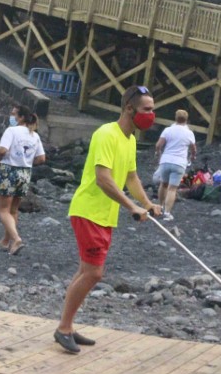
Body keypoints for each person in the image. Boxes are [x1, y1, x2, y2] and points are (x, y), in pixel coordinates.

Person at [55, 85, 162, 353]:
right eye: (146, 110)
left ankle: (66, 325)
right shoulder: (106, 134)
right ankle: (63, 328)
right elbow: (103, 178)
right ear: (129, 109)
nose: (152, 115)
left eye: (153, 109)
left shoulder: (130, 140)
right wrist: (131, 207)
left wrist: (147, 203)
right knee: (94, 273)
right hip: (89, 209)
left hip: (104, 214)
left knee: (85, 271)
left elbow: (131, 177)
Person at [0, 104, 46, 255]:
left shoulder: (11, 131)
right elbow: (42, 158)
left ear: (21, 117)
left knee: (3, 210)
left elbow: (2, 150)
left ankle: (16, 239)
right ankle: (5, 241)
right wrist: (27, 162)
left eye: (14, 114)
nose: (12, 116)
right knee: (13, 210)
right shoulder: (34, 135)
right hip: (25, 172)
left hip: (9, 170)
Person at [154, 110, 197, 221]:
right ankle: (167, 213)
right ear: (186, 120)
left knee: (163, 185)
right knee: (172, 189)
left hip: (166, 160)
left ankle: (160, 207)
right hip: (179, 163)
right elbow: (193, 149)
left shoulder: (168, 130)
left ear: (175, 118)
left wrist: (159, 154)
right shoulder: (189, 133)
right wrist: (192, 157)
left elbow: (158, 145)